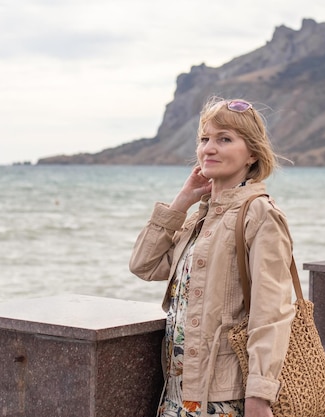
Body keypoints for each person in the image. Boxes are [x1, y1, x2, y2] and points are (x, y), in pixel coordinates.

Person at [129, 97, 295, 417]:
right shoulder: (200, 219)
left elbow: (271, 311)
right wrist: (182, 201)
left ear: (252, 155)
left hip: (222, 400)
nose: (209, 148)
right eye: (204, 139)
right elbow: (143, 265)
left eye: (224, 139)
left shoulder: (259, 215)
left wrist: (259, 395)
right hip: (178, 394)